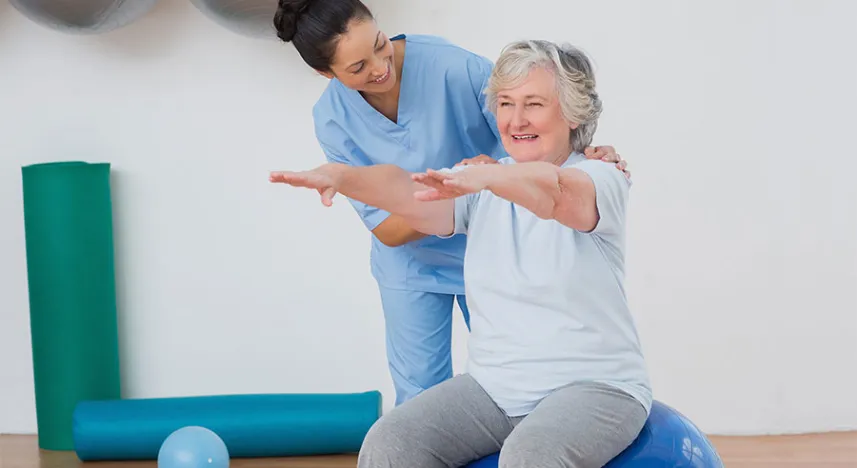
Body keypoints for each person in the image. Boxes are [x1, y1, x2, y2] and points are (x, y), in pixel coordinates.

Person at [271, 38, 651, 468]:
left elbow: (556, 194)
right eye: (505, 104)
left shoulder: (601, 176)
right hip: (494, 390)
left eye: (534, 104)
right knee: (391, 440)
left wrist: (489, 178)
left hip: (596, 387)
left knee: (531, 456)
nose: (516, 120)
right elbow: (410, 194)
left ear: (572, 112)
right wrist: (343, 177)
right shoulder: (483, 178)